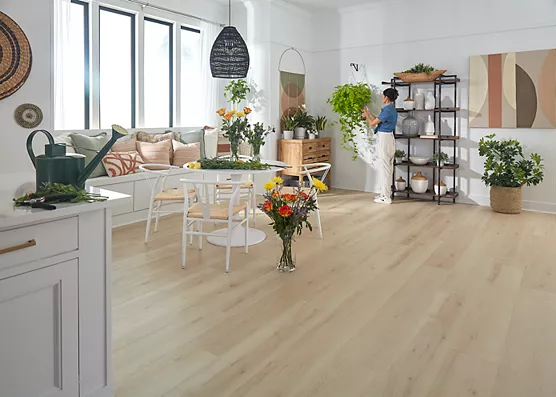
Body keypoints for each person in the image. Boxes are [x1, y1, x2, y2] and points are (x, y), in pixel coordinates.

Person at [362, 88, 399, 204]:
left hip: (385, 139)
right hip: (389, 138)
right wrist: (368, 113)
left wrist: (366, 116)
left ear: (386, 97)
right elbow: (378, 120)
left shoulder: (387, 110)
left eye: (383, 96)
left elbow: (373, 123)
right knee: (387, 167)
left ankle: (386, 197)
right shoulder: (390, 109)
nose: (382, 97)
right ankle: (385, 194)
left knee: (385, 168)